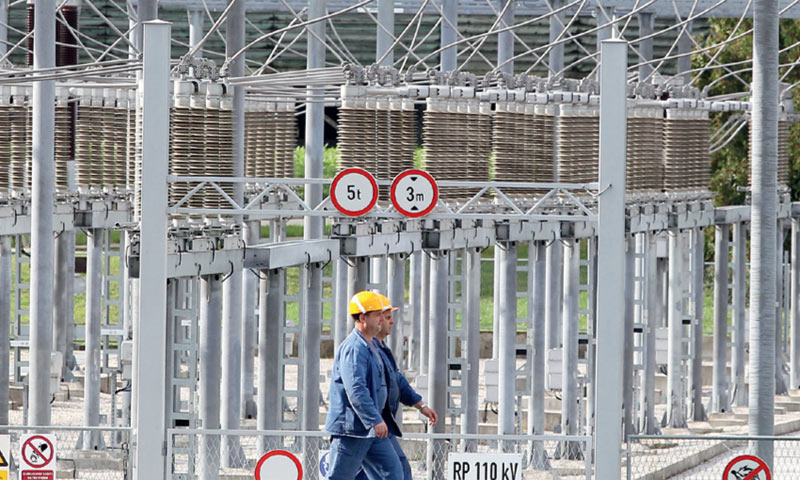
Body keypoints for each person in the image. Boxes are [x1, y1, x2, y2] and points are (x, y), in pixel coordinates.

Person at [355, 294, 438, 480]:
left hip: (380, 424)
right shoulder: (364, 349)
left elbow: (396, 380)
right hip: (371, 425)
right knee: (392, 471)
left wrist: (420, 405)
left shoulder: (380, 348)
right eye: (386, 316)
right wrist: (373, 419)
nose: (391, 321)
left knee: (397, 469)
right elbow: (356, 389)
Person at [324, 291, 404, 480]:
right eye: (377, 314)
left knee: (393, 473)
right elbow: (356, 390)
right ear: (362, 318)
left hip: (371, 430)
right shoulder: (354, 349)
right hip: (352, 431)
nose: (382, 319)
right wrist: (374, 420)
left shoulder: (372, 346)